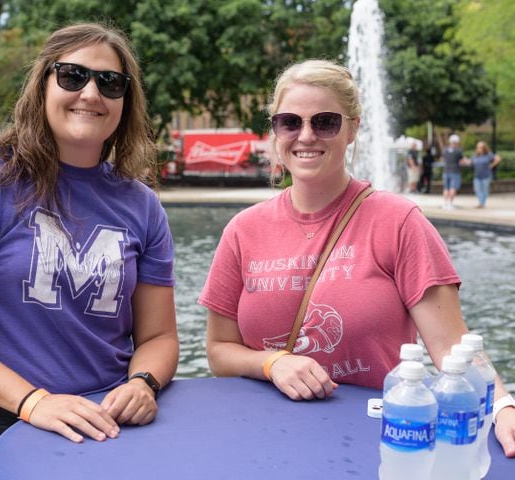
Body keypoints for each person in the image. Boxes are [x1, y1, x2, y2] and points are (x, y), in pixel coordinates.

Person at [198, 59, 515, 457]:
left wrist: (502, 405)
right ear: (276, 130)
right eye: (290, 122)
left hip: (369, 442)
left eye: (325, 122)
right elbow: (219, 352)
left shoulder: (399, 222)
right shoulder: (243, 230)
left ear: (353, 128)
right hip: (263, 438)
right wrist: (272, 363)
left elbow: (452, 345)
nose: (306, 135)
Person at [0, 23, 179, 479]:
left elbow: (158, 337)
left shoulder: (143, 205)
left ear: (125, 102)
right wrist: (34, 402)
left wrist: (143, 383)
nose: (91, 93)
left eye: (110, 82)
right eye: (72, 76)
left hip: (104, 427)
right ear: (42, 85)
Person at [466, 140, 501, 208]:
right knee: (477, 190)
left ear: (484, 148)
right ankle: (481, 203)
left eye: (481, 147)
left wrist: (492, 165)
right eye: (478, 147)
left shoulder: (489, 155)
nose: (479, 149)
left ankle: (482, 203)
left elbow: (498, 158)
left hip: (486, 176)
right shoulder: (475, 156)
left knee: (485, 190)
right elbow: (470, 162)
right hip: (477, 176)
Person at [441, 134, 468, 209]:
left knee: (446, 188)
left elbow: (443, 159)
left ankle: (445, 204)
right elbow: (462, 161)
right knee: (453, 188)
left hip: (446, 171)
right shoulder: (458, 151)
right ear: (457, 142)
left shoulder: (445, 150)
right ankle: (450, 204)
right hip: (455, 171)